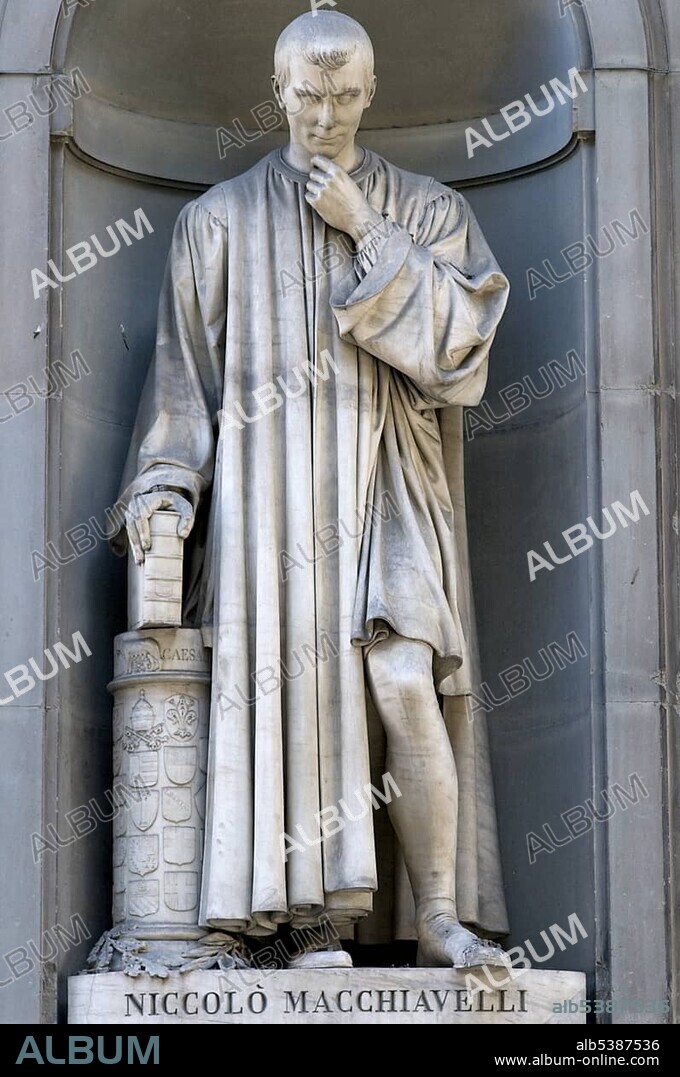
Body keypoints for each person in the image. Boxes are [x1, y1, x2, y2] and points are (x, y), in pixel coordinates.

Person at [117, 10, 510, 967]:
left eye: (343, 97)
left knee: (406, 676)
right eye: (307, 97)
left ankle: (442, 913)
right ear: (278, 91)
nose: (325, 116)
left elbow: (464, 353)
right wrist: (165, 494)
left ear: (370, 95)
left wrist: (366, 227)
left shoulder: (430, 210)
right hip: (272, 508)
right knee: (302, 695)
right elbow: (182, 394)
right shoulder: (214, 223)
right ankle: (312, 921)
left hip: (394, 480)